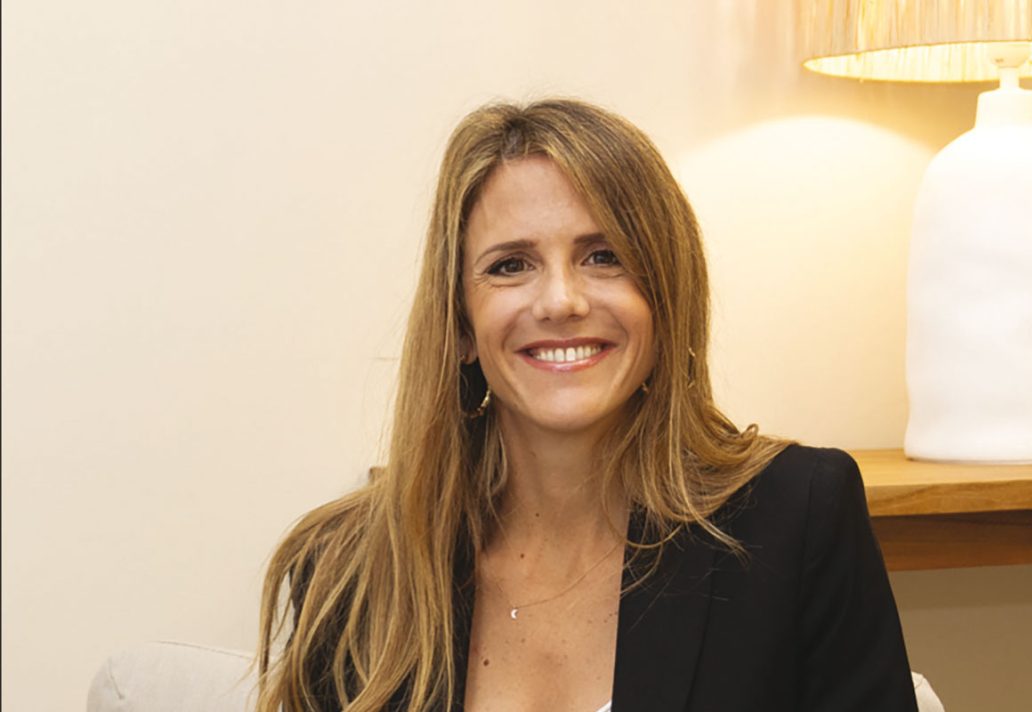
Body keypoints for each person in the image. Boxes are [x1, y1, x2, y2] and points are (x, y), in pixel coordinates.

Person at [255, 98, 918, 712]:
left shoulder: (798, 517)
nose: (561, 301)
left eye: (603, 257)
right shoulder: (346, 568)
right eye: (511, 265)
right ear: (460, 325)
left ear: (665, 297)